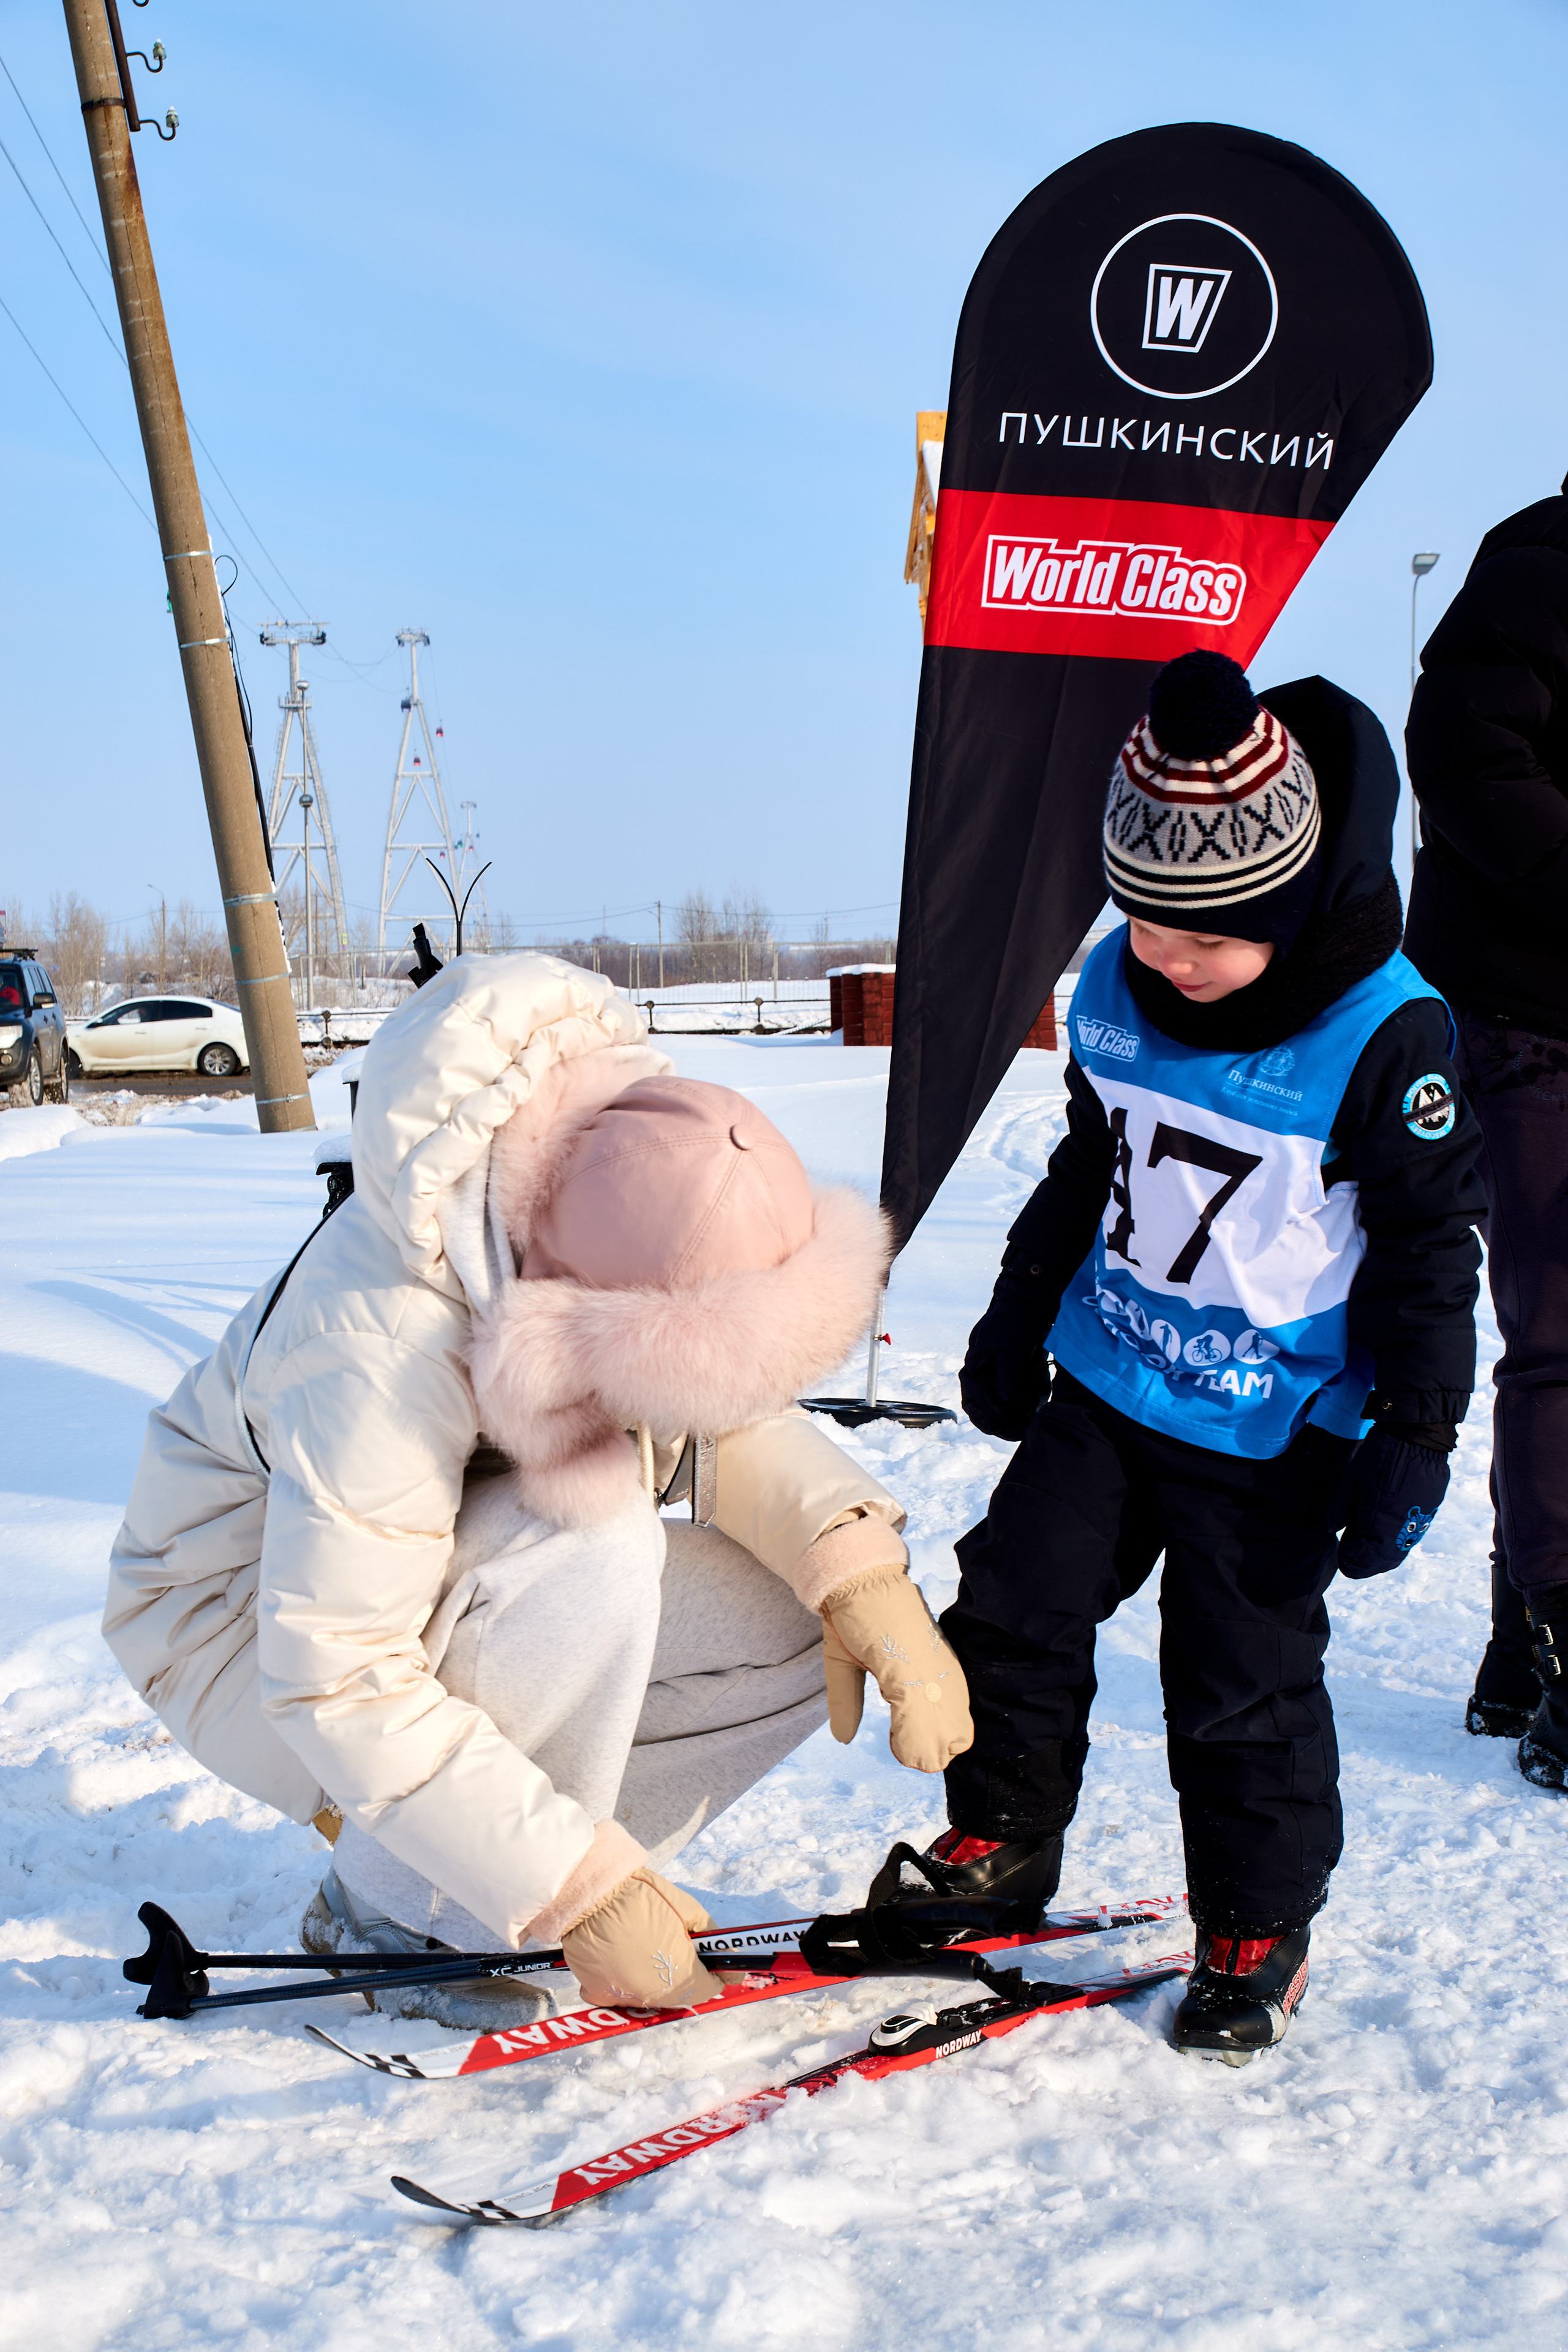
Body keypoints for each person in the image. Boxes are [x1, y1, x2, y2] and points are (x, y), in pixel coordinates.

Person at [103, 957, 972, 2025]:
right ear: (582, 1313)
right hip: (242, 1624)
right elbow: (339, 1669)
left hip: (418, 1585)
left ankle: (506, 1882)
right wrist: (575, 1888)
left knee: (792, 1613)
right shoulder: (377, 1348)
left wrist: (856, 1568)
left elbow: (710, 1415)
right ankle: (395, 1914)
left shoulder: (603, 1193)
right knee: (594, 1541)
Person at [877, 650, 1484, 2064]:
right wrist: (1017, 1311)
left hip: (1272, 1427)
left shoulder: (1382, 1035)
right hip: (1111, 1379)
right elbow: (1087, 1162)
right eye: (1142, 920)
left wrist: (1413, 1431)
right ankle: (1000, 1839)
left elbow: (1425, 1250)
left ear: (1288, 901)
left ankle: (1256, 1928)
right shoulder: (1116, 983)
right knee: (1010, 1601)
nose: (1165, 956)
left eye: (1203, 935)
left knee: (1235, 1681)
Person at [1405, 483, 1568, 1777]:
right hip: (1527, 1014)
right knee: (1558, 1334)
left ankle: (1523, 1638)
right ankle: (1558, 1639)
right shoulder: (1542, 565)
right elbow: (1462, 749)